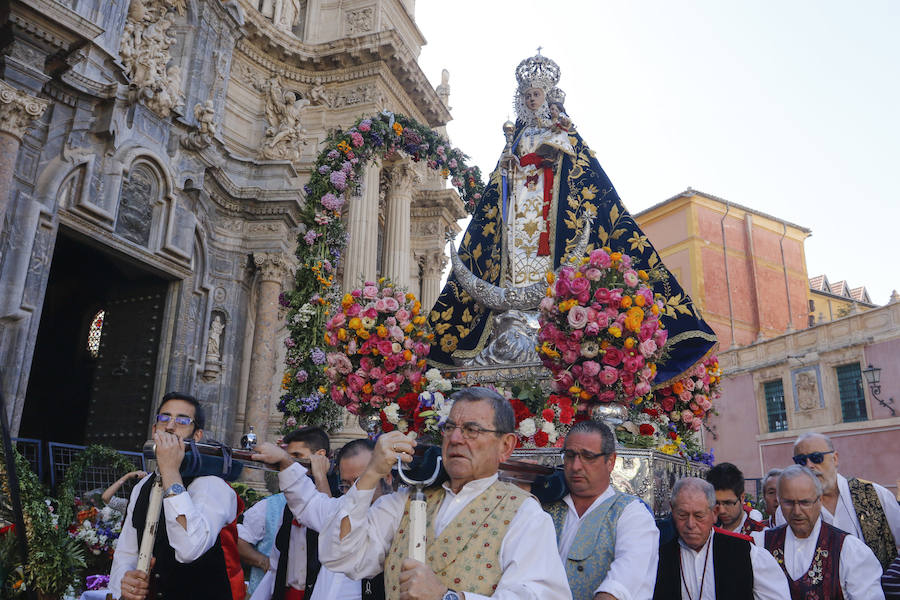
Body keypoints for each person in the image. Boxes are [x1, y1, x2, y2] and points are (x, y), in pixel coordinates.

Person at [427, 52, 716, 385]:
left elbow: (582, 174)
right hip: (518, 212)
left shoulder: (562, 130)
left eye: (536, 93)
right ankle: (512, 317)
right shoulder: (516, 139)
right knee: (512, 260)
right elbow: (501, 185)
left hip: (550, 211)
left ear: (547, 96)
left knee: (550, 259)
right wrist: (509, 169)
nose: (531, 99)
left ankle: (551, 315)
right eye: (527, 95)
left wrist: (555, 148)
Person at [318, 387, 573, 600]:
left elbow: (537, 595)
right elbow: (340, 556)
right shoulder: (405, 501)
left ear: (505, 446)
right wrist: (371, 473)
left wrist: (447, 597)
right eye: (450, 428)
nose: (456, 438)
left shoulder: (524, 515)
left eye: (472, 430)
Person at [109, 392, 244, 600]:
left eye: (182, 421)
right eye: (164, 418)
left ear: (197, 436)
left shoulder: (212, 485)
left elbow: (189, 549)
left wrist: (170, 471)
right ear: (154, 429)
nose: (170, 426)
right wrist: (125, 581)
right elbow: (126, 553)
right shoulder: (142, 486)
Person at [251, 437, 391, 600]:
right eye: (346, 485)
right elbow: (308, 502)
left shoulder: (397, 517)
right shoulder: (341, 509)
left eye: (362, 482)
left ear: (386, 477)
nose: (354, 492)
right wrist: (285, 461)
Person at [543, 420, 658, 600]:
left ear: (610, 461)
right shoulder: (544, 509)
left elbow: (622, 583)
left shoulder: (631, 514)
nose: (575, 466)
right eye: (570, 455)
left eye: (588, 457)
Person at [751, 465, 884, 599]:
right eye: (789, 503)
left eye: (805, 502)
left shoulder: (848, 549)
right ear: (779, 501)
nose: (797, 511)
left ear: (819, 501)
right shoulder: (761, 544)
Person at [776, 431, 900, 569]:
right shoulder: (788, 510)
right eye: (801, 461)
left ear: (835, 458)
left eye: (816, 458)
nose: (809, 465)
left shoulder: (875, 494)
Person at [652, 477, 788, 600]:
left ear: (714, 513)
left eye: (699, 516)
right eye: (682, 515)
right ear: (672, 510)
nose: (691, 524)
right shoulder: (658, 558)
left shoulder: (746, 553)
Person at [237, 427, 332, 599]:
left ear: (320, 456)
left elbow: (328, 522)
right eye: (288, 457)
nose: (289, 463)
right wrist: (263, 562)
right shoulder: (276, 505)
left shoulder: (338, 497)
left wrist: (320, 476)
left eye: (296, 456)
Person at [705, 462, 765, 536]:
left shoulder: (761, 534)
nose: (721, 511)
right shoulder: (705, 530)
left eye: (728, 503)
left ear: (742, 498)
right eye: (715, 503)